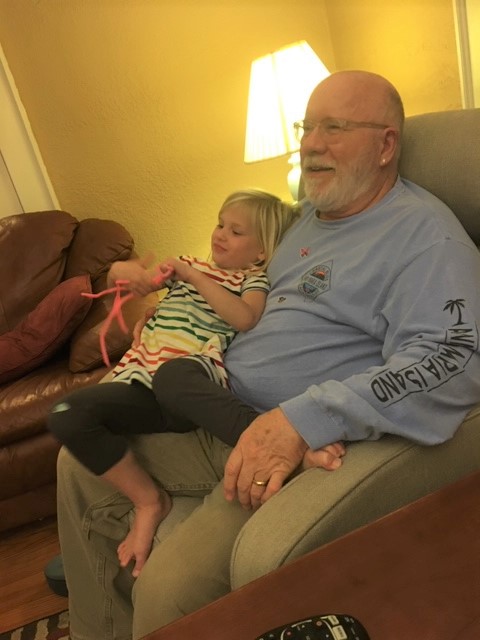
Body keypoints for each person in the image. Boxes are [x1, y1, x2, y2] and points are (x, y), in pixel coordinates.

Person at [54, 70, 480, 640]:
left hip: (281, 446)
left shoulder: (424, 239)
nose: (311, 144)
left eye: (335, 128)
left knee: (168, 589)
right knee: (76, 461)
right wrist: (154, 288)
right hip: (215, 407)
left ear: (385, 146)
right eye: (308, 127)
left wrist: (303, 421)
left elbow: (453, 361)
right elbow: (238, 278)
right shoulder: (304, 218)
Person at [49, 188, 321, 576]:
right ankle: (149, 500)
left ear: (260, 252)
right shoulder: (187, 265)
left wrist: (194, 276)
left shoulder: (250, 279)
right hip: (142, 385)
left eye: (236, 231)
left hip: (188, 383)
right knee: (65, 413)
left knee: (173, 375)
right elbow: (137, 283)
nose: (221, 234)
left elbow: (245, 318)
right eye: (220, 224)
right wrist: (121, 272)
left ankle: (265, 441)